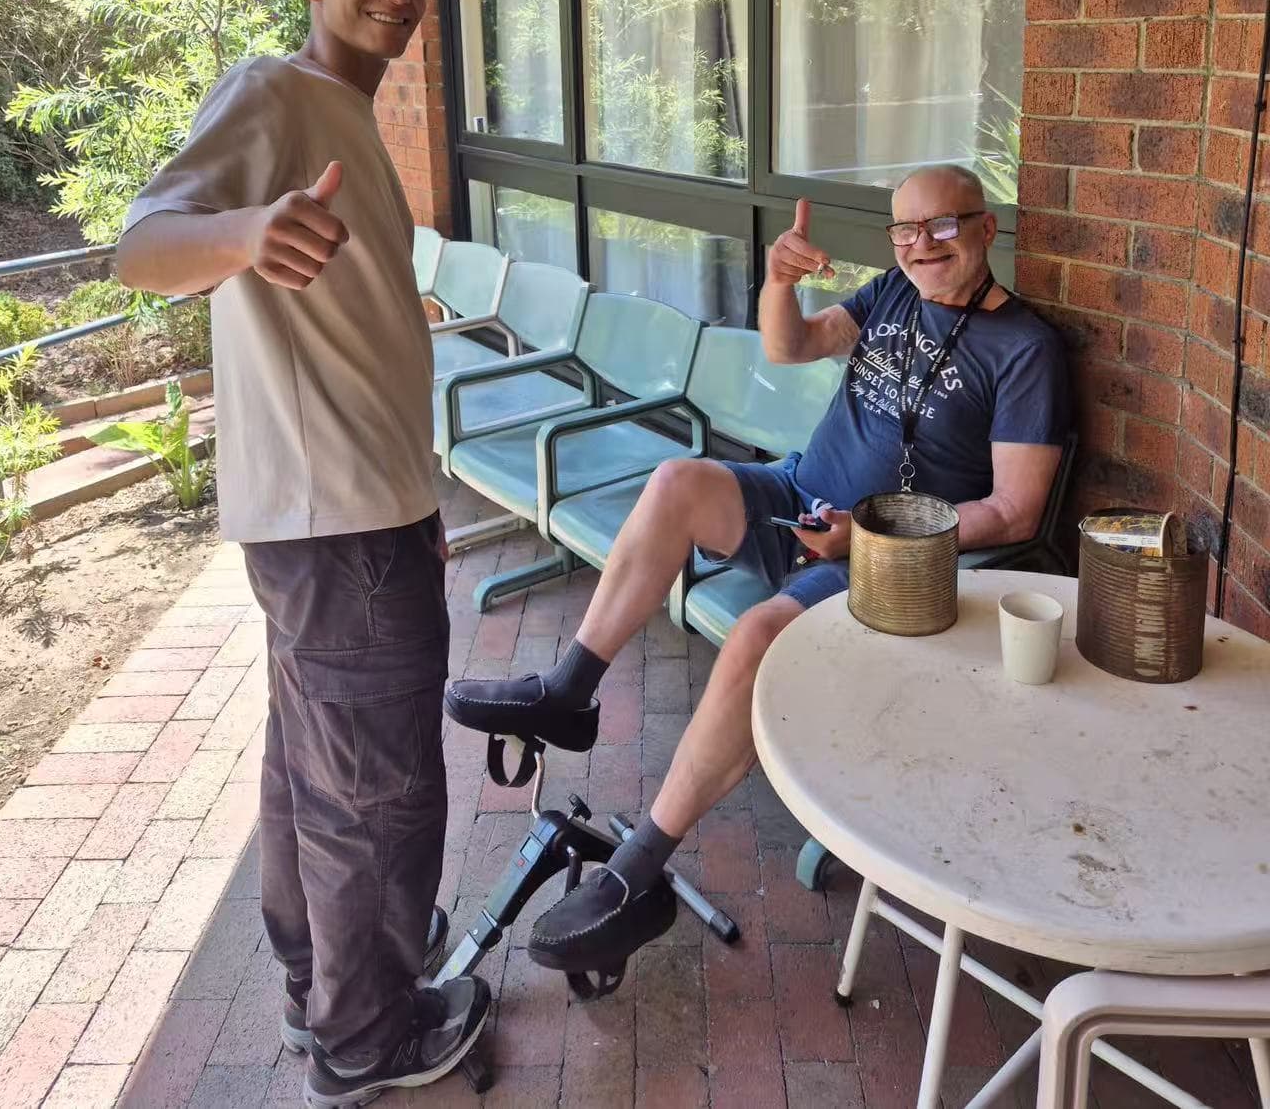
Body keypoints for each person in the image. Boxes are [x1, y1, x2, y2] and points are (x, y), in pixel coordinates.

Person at [446, 164, 1069, 973]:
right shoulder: (890, 294)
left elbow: (1017, 509)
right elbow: (792, 344)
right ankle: (569, 691)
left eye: (944, 226)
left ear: (987, 229)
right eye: (906, 229)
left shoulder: (1025, 349)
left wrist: (872, 532)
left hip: (886, 553)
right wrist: (779, 280)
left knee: (753, 634)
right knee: (676, 482)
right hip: (800, 494)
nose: (922, 246)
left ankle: (639, 874)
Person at [116, 0, 490, 1107]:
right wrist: (242, 232)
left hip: (354, 517)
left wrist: (422, 502)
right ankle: (367, 1039)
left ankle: (316, 989)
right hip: (339, 529)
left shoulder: (344, 111)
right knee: (377, 799)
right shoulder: (275, 92)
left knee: (309, 777)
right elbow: (140, 245)